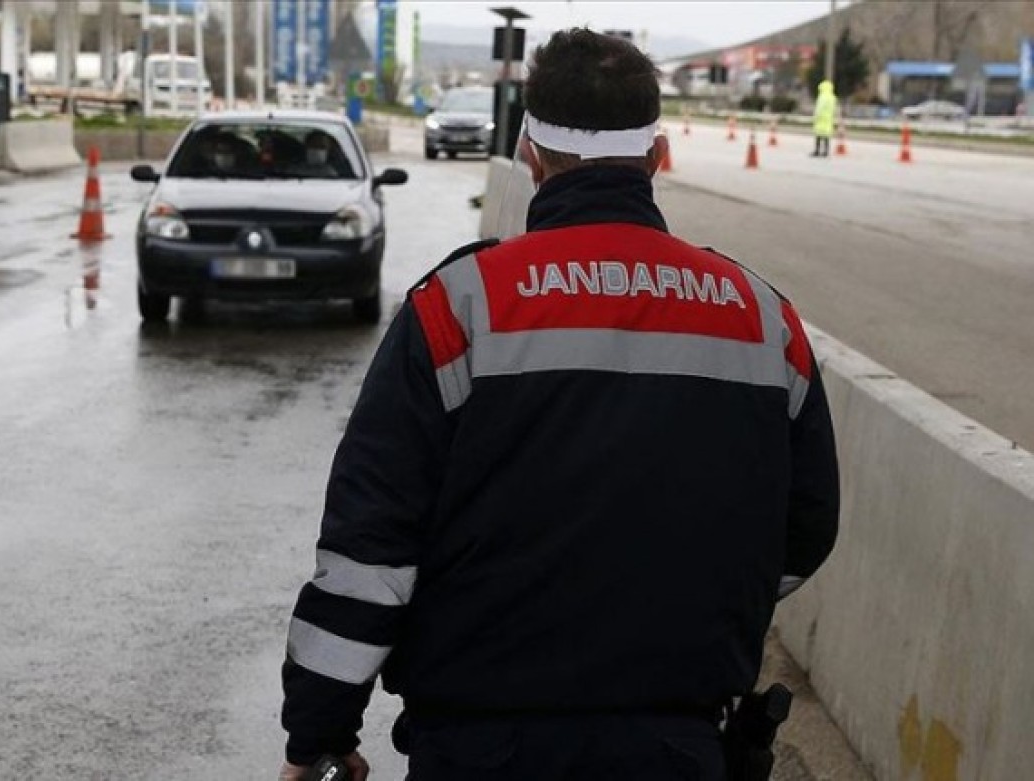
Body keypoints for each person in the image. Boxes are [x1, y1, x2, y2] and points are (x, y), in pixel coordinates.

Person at [278, 28, 839, 781]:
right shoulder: (763, 317)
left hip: (478, 748)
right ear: (656, 155)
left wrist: (319, 730)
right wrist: (691, 591)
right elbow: (805, 527)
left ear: (528, 154)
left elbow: (368, 551)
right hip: (679, 747)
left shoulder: (457, 307)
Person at [811, 80, 838, 157]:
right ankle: (826, 152)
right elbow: (835, 108)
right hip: (829, 119)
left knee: (818, 135)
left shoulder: (822, 97)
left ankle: (817, 151)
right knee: (827, 136)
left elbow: (819, 107)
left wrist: (815, 116)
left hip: (821, 118)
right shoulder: (833, 97)